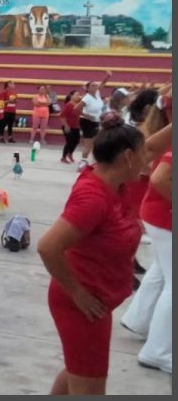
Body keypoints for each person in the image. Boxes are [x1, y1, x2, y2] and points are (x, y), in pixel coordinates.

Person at [37, 114, 145, 395]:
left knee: (80, 372)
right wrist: (78, 293)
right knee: (90, 386)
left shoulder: (115, 183)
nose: (149, 160)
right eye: (144, 154)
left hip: (98, 301)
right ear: (128, 156)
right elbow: (48, 247)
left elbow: (156, 145)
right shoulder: (94, 198)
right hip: (82, 304)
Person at [120, 139, 172, 374]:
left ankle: (139, 320)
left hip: (158, 213)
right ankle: (158, 352)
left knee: (161, 271)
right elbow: (160, 177)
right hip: (166, 216)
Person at [73, 71, 113, 171]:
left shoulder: (97, 94)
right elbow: (76, 108)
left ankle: (93, 162)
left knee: (96, 142)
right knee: (88, 144)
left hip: (96, 121)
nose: (96, 87)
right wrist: (86, 115)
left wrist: (107, 76)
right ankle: (82, 163)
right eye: (93, 86)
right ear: (88, 88)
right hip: (88, 122)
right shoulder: (87, 98)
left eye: (96, 85)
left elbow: (103, 83)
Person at [61, 90, 82, 164]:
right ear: (71, 96)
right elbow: (62, 116)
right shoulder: (68, 105)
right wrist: (66, 126)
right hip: (68, 126)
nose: (78, 96)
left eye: (79, 95)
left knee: (76, 141)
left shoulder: (78, 105)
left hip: (76, 126)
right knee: (69, 141)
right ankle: (63, 157)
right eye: (76, 95)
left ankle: (70, 153)